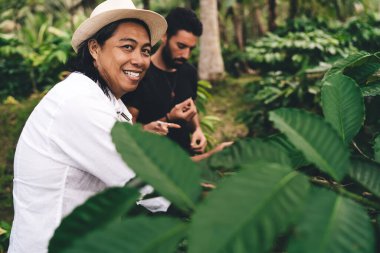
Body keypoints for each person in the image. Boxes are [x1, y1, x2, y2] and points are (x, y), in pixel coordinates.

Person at [8, 0, 167, 252]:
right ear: (95, 48)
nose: (139, 60)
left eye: (146, 51)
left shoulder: (101, 99)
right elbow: (148, 184)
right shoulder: (79, 102)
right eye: (127, 47)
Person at [122, 7, 207, 157]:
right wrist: (168, 118)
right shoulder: (140, 73)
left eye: (191, 49)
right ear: (165, 36)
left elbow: (191, 107)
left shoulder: (189, 72)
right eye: (181, 46)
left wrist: (197, 130)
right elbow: (129, 130)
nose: (186, 55)